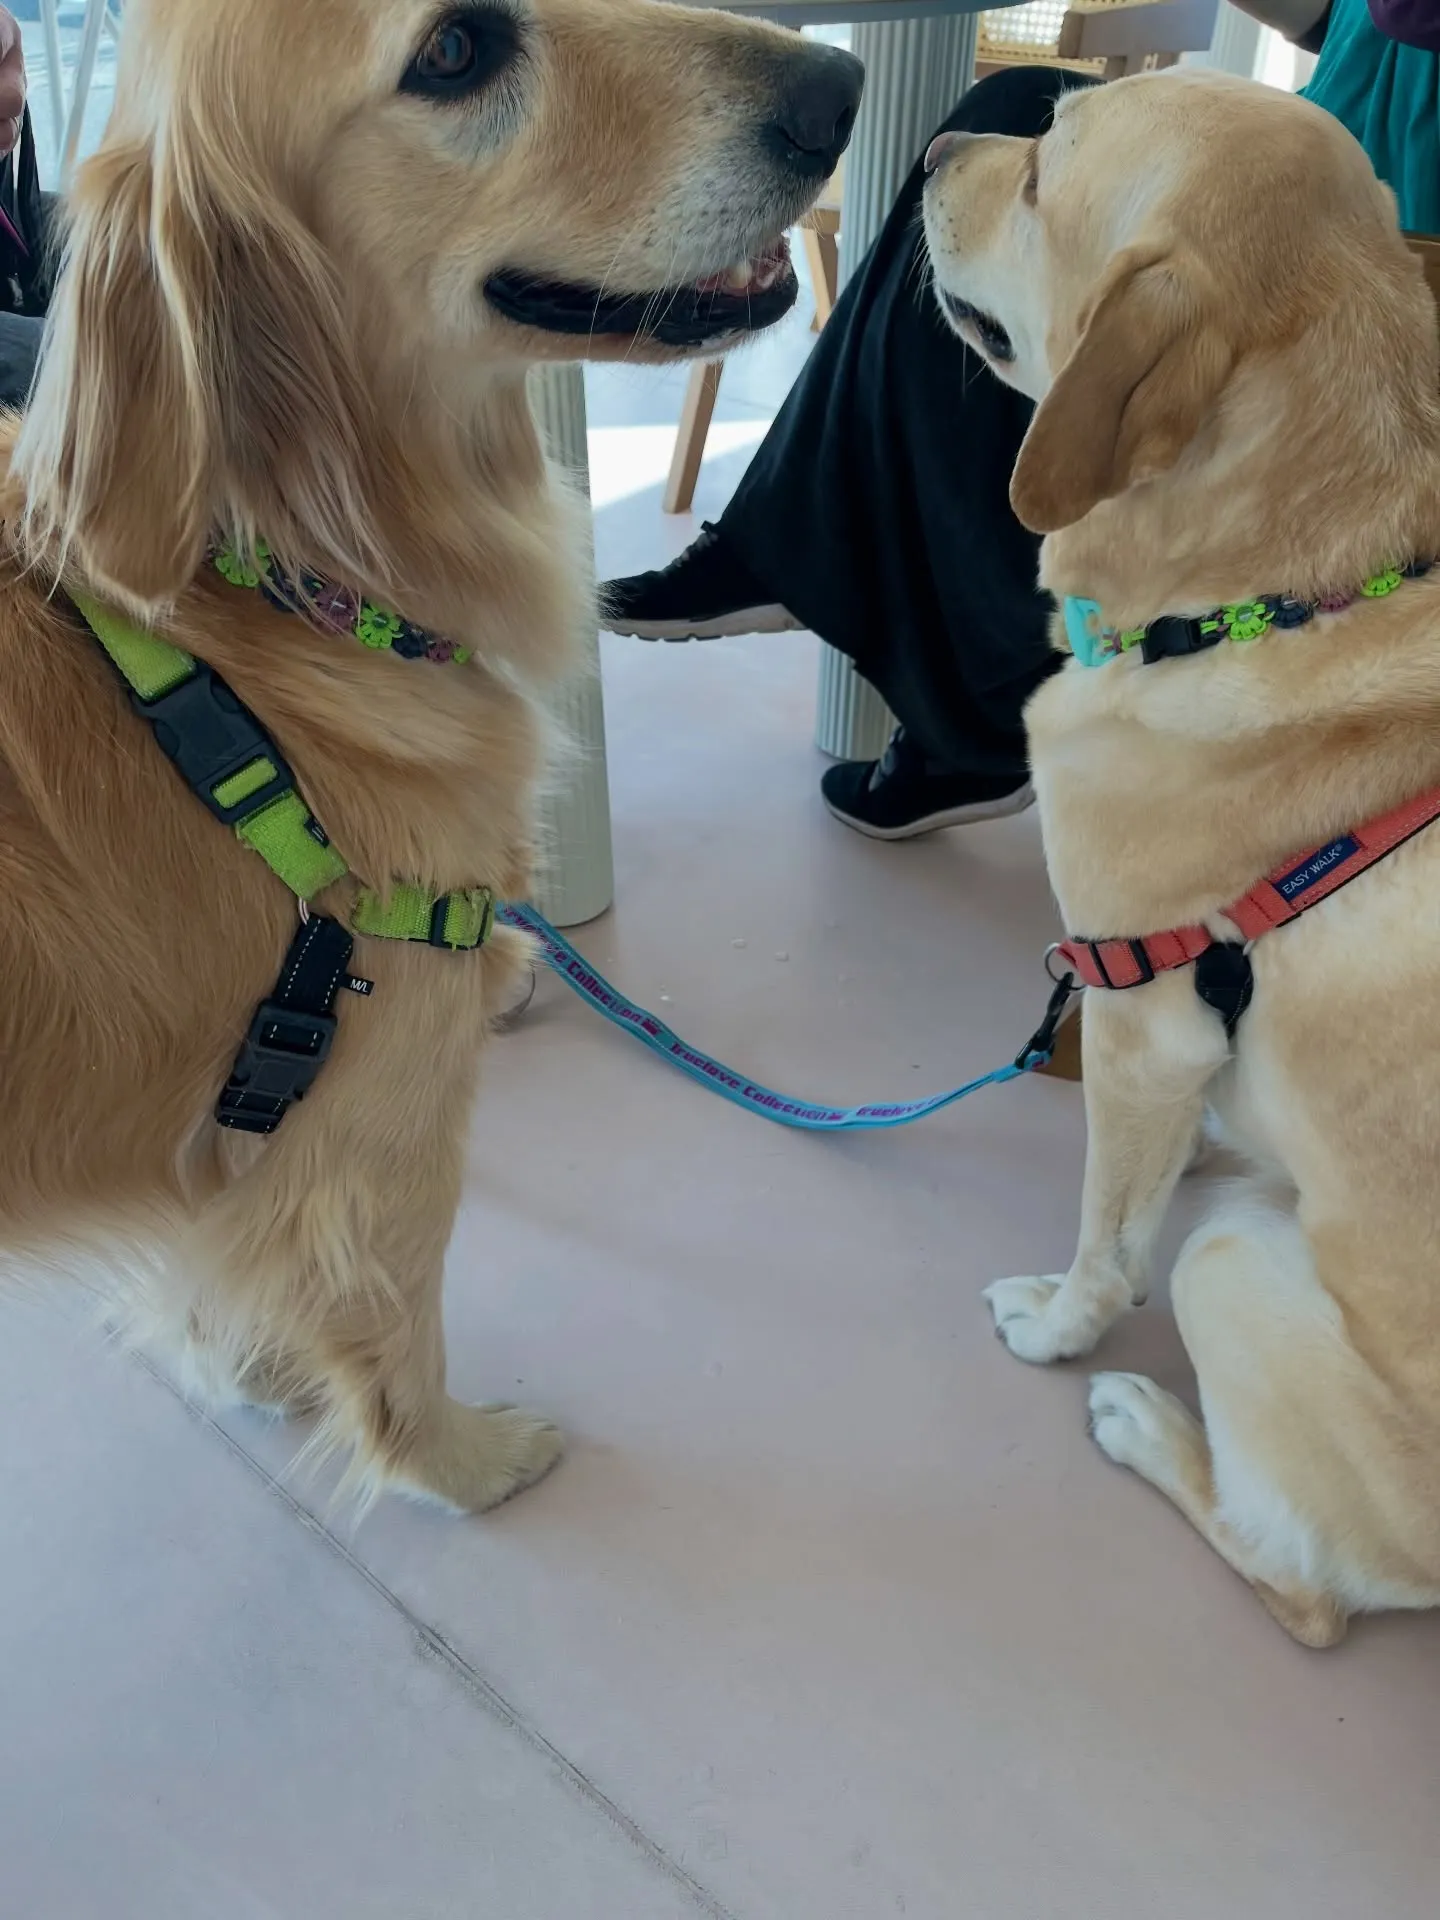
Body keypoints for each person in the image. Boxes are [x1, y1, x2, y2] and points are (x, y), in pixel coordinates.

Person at [602, 1, 1433, 841]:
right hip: (1354, 134)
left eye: (1035, 177)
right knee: (1013, 115)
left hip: (1375, 226)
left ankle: (941, 668)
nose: (943, 159)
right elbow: (1342, 18)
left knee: (1032, 246)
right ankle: (820, 568)